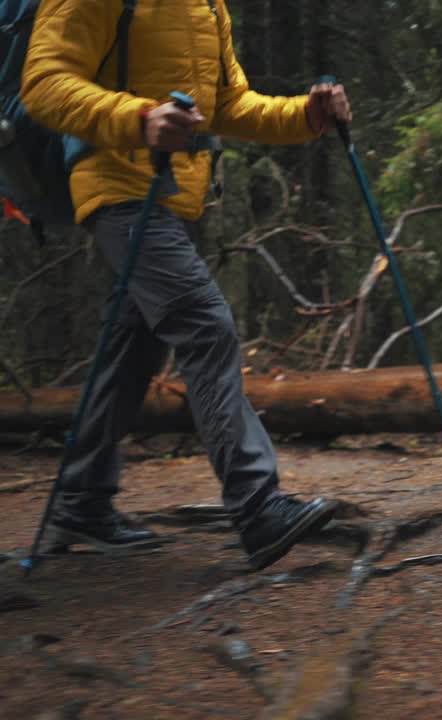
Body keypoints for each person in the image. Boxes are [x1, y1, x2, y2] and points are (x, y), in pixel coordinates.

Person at [21, 0, 351, 571]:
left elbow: (229, 104)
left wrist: (307, 115)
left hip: (174, 196)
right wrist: (140, 118)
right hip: (118, 190)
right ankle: (257, 505)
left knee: (132, 348)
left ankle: (81, 501)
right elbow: (44, 83)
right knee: (205, 325)